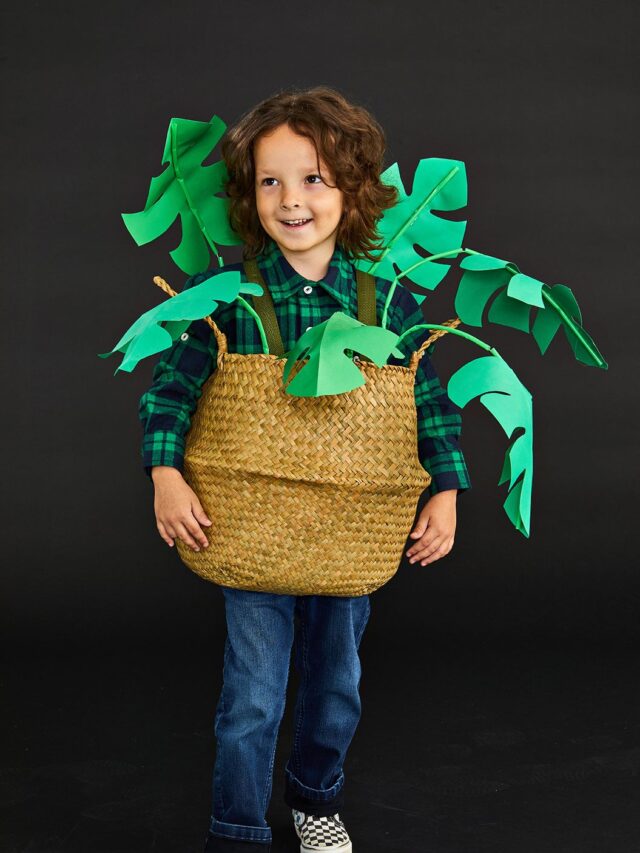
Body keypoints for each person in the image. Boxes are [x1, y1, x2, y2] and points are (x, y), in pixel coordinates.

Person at [139, 86, 471, 853]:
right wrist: (166, 474)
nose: (292, 200)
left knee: (335, 687)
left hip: (351, 530)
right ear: (246, 196)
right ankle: (239, 826)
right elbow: (171, 391)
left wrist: (446, 487)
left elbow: (428, 400)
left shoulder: (386, 304)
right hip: (251, 526)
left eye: (315, 178)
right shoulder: (229, 298)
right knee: (252, 696)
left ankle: (315, 797)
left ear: (353, 190)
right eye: (270, 181)